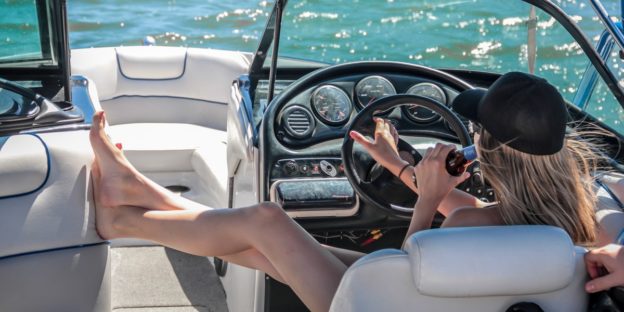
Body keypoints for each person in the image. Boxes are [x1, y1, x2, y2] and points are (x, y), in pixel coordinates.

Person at [90, 72, 600, 312]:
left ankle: (123, 219)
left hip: (382, 309)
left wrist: (424, 201)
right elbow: (466, 209)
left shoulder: (471, 227)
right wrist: (398, 164)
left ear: (486, 150)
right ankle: (135, 188)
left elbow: (403, 282)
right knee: (273, 250)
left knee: (268, 222)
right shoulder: (574, 222)